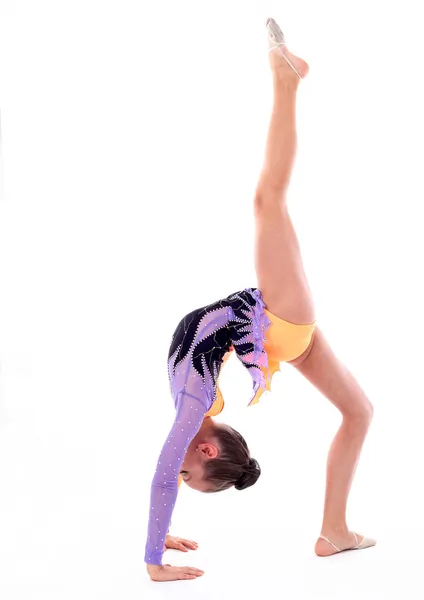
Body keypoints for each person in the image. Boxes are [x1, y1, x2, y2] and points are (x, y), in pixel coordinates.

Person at [145, 17, 376, 583]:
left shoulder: (196, 409)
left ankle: (334, 532)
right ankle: (287, 79)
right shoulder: (194, 408)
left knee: (359, 411)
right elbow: (161, 476)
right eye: (189, 478)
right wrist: (153, 559)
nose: (178, 476)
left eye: (184, 485)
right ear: (203, 452)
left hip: (279, 331)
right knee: (267, 198)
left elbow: (161, 476)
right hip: (282, 321)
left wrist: (157, 545)